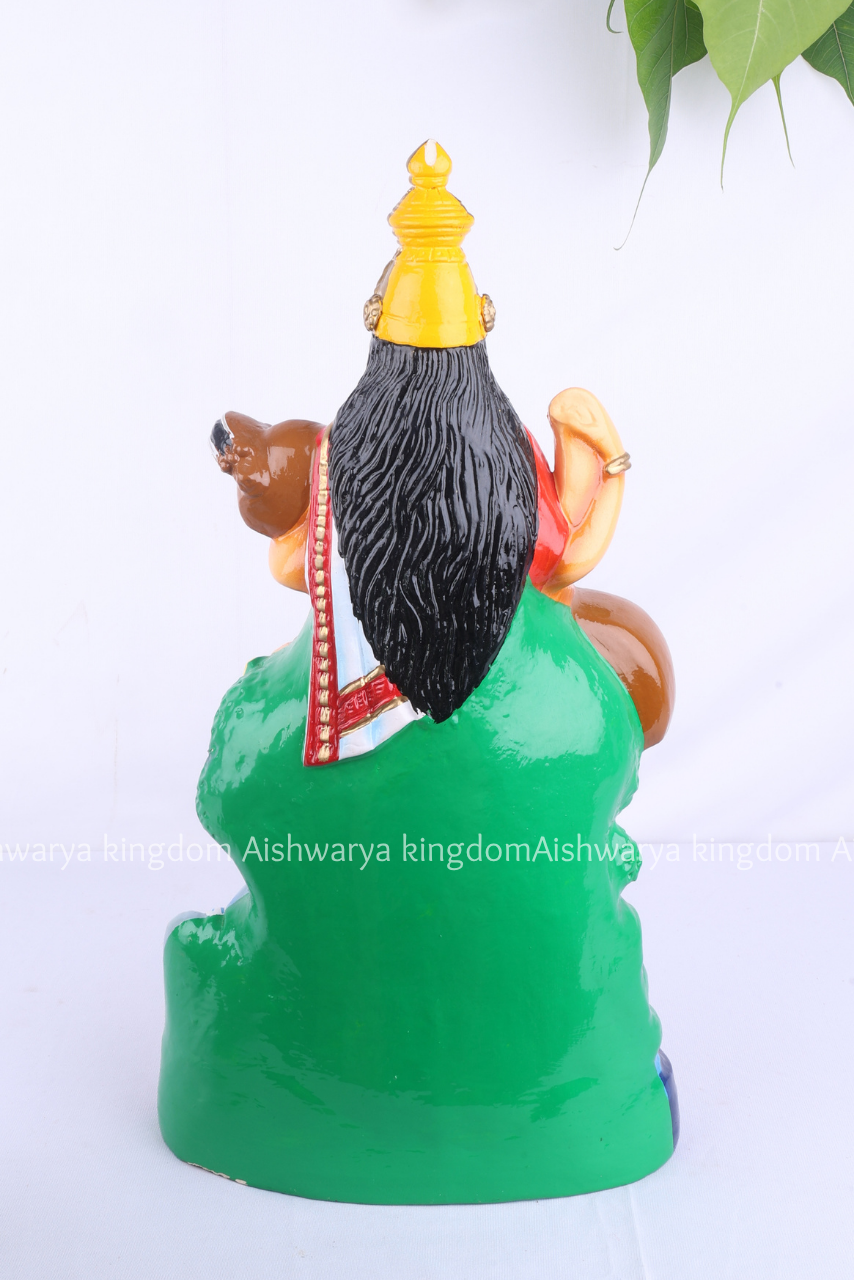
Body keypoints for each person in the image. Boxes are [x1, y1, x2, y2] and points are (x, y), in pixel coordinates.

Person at [158, 141, 678, 1203]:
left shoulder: (274, 712)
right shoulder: (584, 697)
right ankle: (612, 1104)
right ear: (510, 489)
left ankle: (260, 1113)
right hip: (576, 1105)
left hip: (280, 1097)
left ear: (344, 504)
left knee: (203, 954)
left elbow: (227, 803)